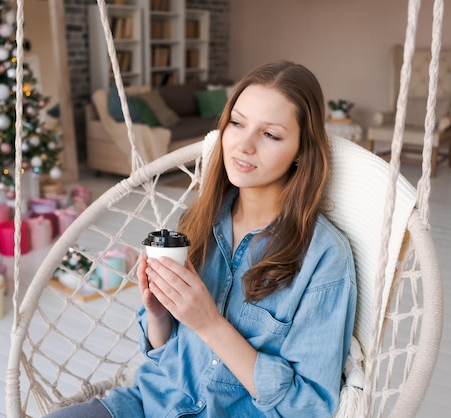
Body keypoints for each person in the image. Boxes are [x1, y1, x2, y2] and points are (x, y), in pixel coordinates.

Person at [45, 60, 357, 417]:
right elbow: (166, 355)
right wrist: (160, 314)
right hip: (153, 403)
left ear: (303, 150)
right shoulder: (202, 218)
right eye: (237, 124)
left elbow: (309, 408)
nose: (244, 145)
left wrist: (208, 323)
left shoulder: (324, 257)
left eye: (270, 134)